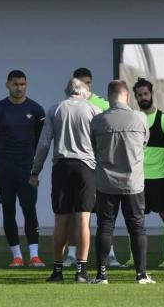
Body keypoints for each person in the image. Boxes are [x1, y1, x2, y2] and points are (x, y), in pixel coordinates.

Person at [30, 78, 101, 283]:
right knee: (83, 219)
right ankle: (81, 271)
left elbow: (44, 143)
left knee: (61, 219)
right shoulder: (94, 110)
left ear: (66, 91)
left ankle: (58, 270)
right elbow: (99, 144)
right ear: (85, 91)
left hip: (61, 166)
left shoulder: (56, 109)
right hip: (86, 167)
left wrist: (35, 171)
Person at [90, 80, 154, 284]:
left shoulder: (98, 121)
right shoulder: (140, 118)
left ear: (109, 96)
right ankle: (141, 274)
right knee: (137, 227)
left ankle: (101, 275)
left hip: (106, 182)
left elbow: (93, 146)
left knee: (105, 226)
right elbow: (145, 142)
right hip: (133, 182)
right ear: (127, 96)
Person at [0, 70, 46, 268]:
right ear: (7, 85)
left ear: (26, 84)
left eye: (22, 84)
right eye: (15, 84)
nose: (19, 88)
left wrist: (32, 165)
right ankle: (17, 256)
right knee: (8, 210)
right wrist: (7, 156)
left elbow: (40, 141)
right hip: (4, 169)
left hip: (27, 169)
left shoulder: (37, 110)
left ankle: (35, 255)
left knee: (29, 209)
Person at [71, 67, 120, 267]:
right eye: (81, 82)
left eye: (88, 82)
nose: (85, 86)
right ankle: (73, 255)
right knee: (79, 211)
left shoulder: (103, 104)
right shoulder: (70, 105)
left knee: (104, 212)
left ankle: (110, 254)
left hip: (100, 166)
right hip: (80, 164)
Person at [133, 78, 164, 268]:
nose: (143, 97)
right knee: (135, 219)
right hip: (138, 180)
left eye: (146, 94)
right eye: (139, 95)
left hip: (160, 178)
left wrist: (161, 165)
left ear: (151, 94)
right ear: (135, 97)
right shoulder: (134, 119)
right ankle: (133, 258)